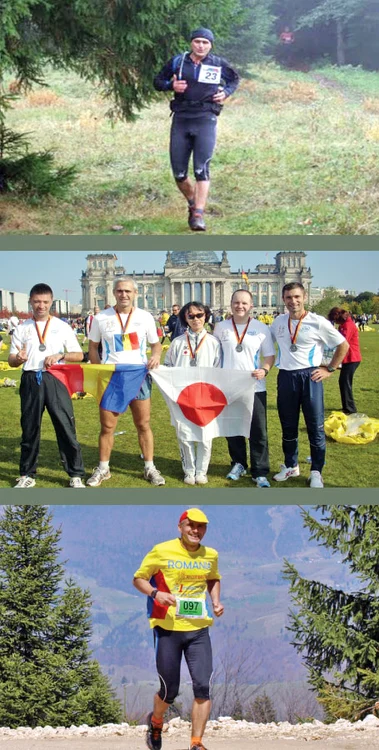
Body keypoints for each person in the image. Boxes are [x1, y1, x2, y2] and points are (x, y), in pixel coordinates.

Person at [133, 507, 223, 750]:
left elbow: (213, 578)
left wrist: (215, 601)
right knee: (168, 690)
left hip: (198, 631)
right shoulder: (161, 550)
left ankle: (196, 743)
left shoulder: (210, 554)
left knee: (203, 686)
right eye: (190, 525)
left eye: (200, 526)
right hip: (168, 629)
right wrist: (155, 593)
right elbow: (139, 578)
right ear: (180, 527)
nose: (196, 530)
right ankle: (156, 721)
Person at [154, 28, 239, 232]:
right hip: (182, 118)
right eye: (198, 41)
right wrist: (170, 86)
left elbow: (235, 80)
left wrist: (225, 92)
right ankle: (193, 203)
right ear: (191, 43)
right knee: (179, 173)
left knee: (202, 169)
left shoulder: (218, 64)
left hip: (206, 118)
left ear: (211, 45)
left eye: (205, 42)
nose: (201, 45)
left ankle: (199, 215)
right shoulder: (178, 62)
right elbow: (157, 82)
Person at [87, 277, 165, 486]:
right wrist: (99, 370)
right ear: (114, 292)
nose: (124, 295)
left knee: (143, 424)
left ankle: (149, 467)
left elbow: (156, 345)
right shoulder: (101, 318)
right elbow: (93, 347)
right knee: (107, 426)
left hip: (139, 375)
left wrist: (156, 356)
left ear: (135, 294)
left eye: (128, 291)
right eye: (120, 291)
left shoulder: (145, 317)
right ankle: (103, 469)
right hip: (112, 377)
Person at [270, 283, 349, 489]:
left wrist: (330, 369)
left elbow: (343, 345)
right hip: (286, 377)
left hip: (310, 377)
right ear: (283, 299)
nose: (293, 301)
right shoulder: (278, 321)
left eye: (296, 297)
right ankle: (290, 465)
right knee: (288, 425)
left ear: (304, 297)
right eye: (288, 297)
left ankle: (316, 471)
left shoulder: (318, 322)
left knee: (315, 427)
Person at [8, 283, 86, 489]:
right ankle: (27, 474)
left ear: (51, 302)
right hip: (31, 379)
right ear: (30, 302)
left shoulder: (62, 326)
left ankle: (75, 474)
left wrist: (61, 355)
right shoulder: (22, 328)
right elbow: (11, 360)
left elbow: (79, 355)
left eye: (45, 302)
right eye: (36, 302)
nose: (40, 306)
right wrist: (18, 357)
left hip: (56, 378)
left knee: (65, 426)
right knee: (30, 428)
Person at [214, 289, 275, 488]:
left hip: (254, 386)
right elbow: (215, 356)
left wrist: (264, 370)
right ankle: (238, 463)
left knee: (258, 430)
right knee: (233, 428)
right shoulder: (220, 327)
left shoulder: (261, 328)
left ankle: (260, 470)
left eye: (244, 303)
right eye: (236, 302)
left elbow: (269, 356)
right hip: (229, 387)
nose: (240, 306)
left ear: (251, 306)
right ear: (230, 304)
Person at [164, 302, 221, 484]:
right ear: (185, 319)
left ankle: (201, 471)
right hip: (183, 395)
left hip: (206, 396)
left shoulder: (213, 342)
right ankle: (189, 470)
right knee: (185, 434)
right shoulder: (177, 342)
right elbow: (168, 367)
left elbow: (218, 370)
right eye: (191, 316)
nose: (196, 319)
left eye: (199, 315)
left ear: (206, 316)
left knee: (205, 435)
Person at [328, 307, 362, 414]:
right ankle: (346, 406)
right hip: (349, 358)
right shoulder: (345, 324)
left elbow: (343, 341)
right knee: (344, 382)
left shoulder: (347, 325)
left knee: (345, 383)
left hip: (352, 358)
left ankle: (350, 408)